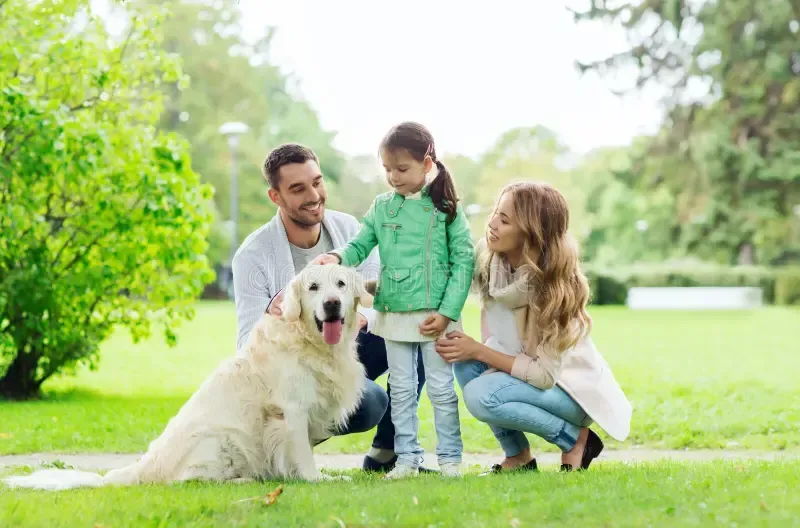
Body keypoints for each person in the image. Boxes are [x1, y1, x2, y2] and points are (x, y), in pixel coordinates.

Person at [231, 143, 430, 473]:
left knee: (415, 330)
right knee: (369, 404)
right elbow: (246, 345)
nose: (313, 195)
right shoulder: (252, 256)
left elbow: (383, 298)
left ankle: (387, 453)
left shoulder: (348, 229)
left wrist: (360, 318)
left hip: (348, 341)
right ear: (275, 197)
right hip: (296, 363)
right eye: (298, 189)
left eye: (317, 182)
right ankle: (289, 443)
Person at [434, 182, 632, 473]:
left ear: (532, 233)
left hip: (570, 391)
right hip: (527, 376)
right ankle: (519, 457)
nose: (492, 224)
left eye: (505, 220)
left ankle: (576, 439)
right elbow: (450, 279)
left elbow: (544, 376)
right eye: (494, 213)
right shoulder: (492, 261)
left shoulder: (554, 289)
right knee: (465, 368)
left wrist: (479, 350)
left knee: (481, 395)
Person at [314, 122, 475, 479]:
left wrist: (447, 313)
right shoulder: (382, 208)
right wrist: (338, 258)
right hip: (394, 312)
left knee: (441, 390)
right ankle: (406, 459)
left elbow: (464, 261)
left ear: (427, 163)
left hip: (437, 317)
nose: (393, 177)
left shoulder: (446, 209)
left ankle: (450, 459)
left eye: (401, 169)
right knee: (401, 390)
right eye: (387, 169)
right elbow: (360, 243)